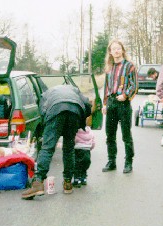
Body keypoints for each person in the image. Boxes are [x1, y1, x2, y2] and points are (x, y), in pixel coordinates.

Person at [21, 84, 92, 199]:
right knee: (69, 148)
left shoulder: (47, 93)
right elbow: (87, 104)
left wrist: (47, 125)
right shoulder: (74, 90)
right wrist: (81, 121)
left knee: (47, 148)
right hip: (74, 111)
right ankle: (68, 183)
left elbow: (42, 109)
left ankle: (38, 182)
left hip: (55, 110)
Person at [101, 40, 138, 174]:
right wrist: (105, 104)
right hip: (111, 103)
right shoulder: (109, 68)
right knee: (110, 135)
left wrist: (125, 95)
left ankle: (128, 162)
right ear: (110, 52)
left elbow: (134, 85)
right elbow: (106, 87)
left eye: (118, 48)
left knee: (126, 135)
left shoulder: (129, 66)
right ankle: (111, 161)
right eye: (113, 49)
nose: (116, 51)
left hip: (123, 104)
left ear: (122, 50)